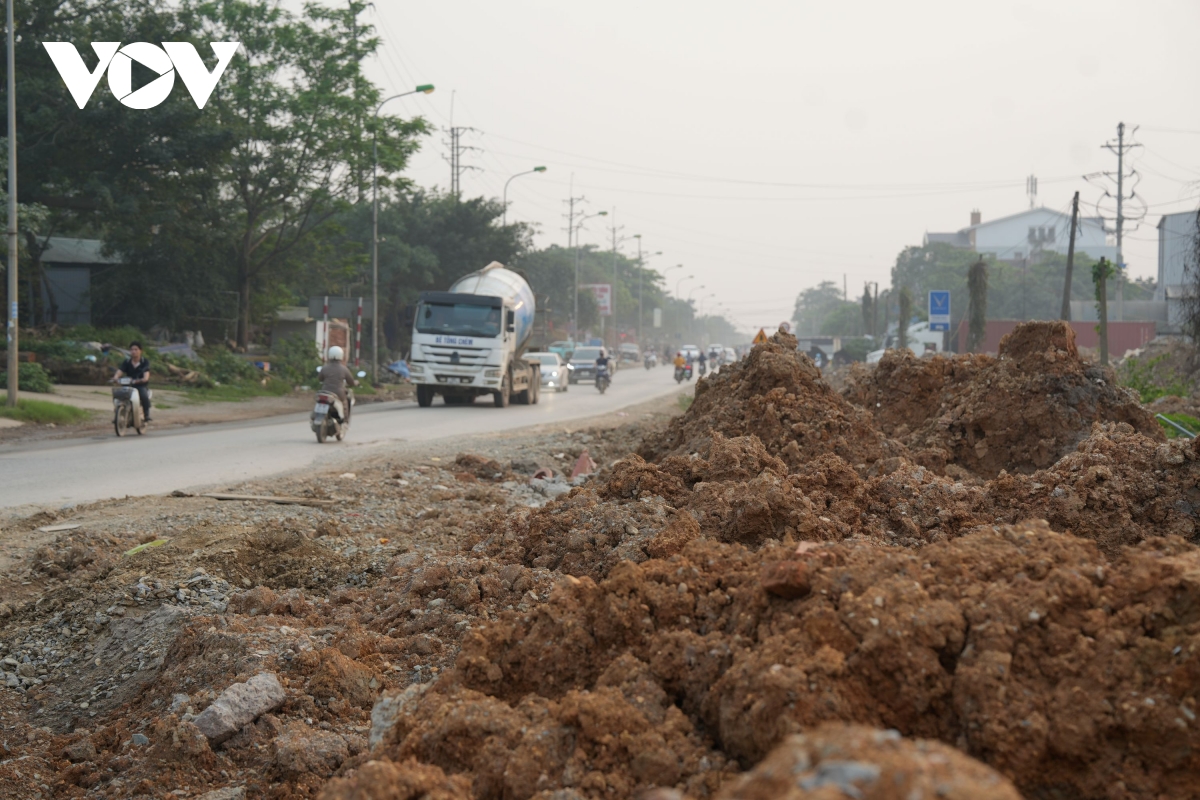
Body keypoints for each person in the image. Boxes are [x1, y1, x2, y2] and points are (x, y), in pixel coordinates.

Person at [114, 341, 152, 422]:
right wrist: (116, 377)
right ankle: (117, 415)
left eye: (136, 349)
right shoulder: (127, 362)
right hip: (128, 384)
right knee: (118, 397)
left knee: (144, 396)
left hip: (140, 385)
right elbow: (120, 370)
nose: (133, 351)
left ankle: (146, 415)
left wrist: (143, 379)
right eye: (132, 349)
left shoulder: (144, 362)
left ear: (140, 351)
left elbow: (146, 373)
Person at [320, 345, 358, 425]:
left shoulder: (325, 368)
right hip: (338, 393)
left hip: (325, 391)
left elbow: (320, 378)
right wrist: (356, 383)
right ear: (341, 356)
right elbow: (351, 382)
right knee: (345, 401)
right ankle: (345, 421)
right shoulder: (344, 369)